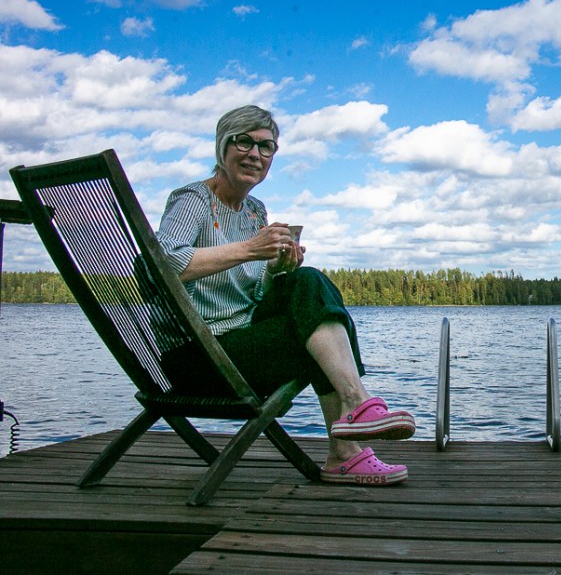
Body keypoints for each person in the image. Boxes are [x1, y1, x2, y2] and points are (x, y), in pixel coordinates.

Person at [157, 105, 415, 485]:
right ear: (222, 147)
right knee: (311, 332)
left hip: (239, 341)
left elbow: (250, 293)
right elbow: (160, 264)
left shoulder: (253, 210)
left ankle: (354, 412)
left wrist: (277, 269)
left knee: (308, 281)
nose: (255, 154)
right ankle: (347, 441)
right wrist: (249, 249)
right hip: (197, 356)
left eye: (266, 147)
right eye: (244, 142)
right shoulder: (192, 200)